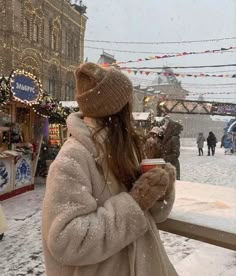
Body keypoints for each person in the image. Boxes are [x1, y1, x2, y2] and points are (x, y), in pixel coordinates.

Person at [42, 62, 178, 276]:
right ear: (117, 109)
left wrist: (160, 188)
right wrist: (135, 201)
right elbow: (65, 240)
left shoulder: (125, 148)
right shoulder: (72, 157)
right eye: (127, 102)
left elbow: (153, 216)